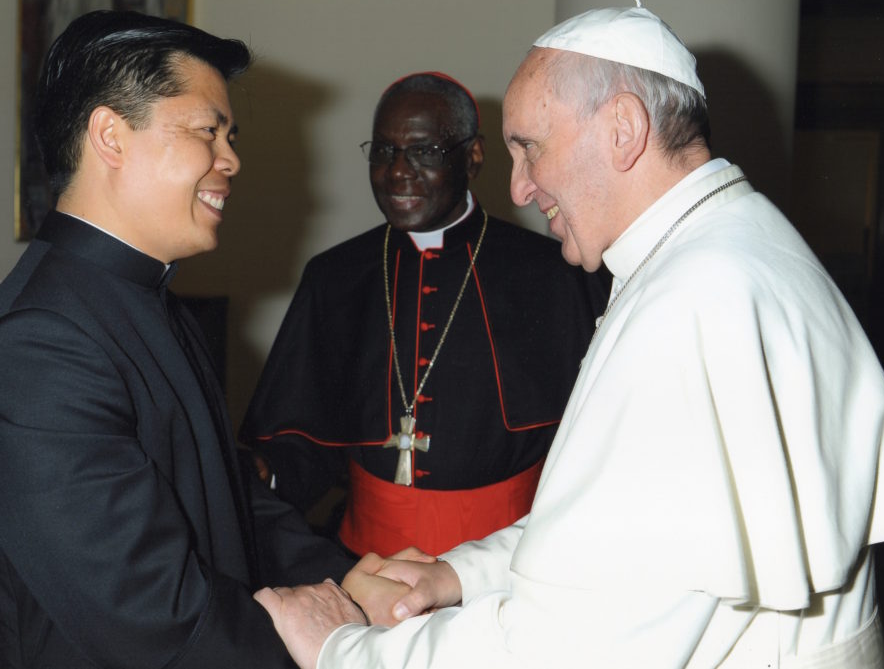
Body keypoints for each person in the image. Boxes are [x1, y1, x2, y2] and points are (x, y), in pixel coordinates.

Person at [253, 3, 884, 669]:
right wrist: (457, 575)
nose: (517, 188)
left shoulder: (693, 305)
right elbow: (616, 540)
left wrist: (345, 649)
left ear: (624, 130)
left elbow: (567, 645)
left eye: (531, 148)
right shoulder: (725, 249)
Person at [0, 10, 356, 668]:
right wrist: (332, 641)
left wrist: (343, 580)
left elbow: (224, 496)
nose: (231, 159)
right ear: (111, 134)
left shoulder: (144, 299)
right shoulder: (35, 347)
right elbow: (151, 615)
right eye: (208, 132)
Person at [240, 71, 608, 557]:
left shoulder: (555, 274)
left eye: (425, 152)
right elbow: (303, 438)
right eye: (384, 151)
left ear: (472, 157)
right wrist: (269, 473)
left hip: (509, 568)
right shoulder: (335, 277)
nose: (398, 172)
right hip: (364, 565)